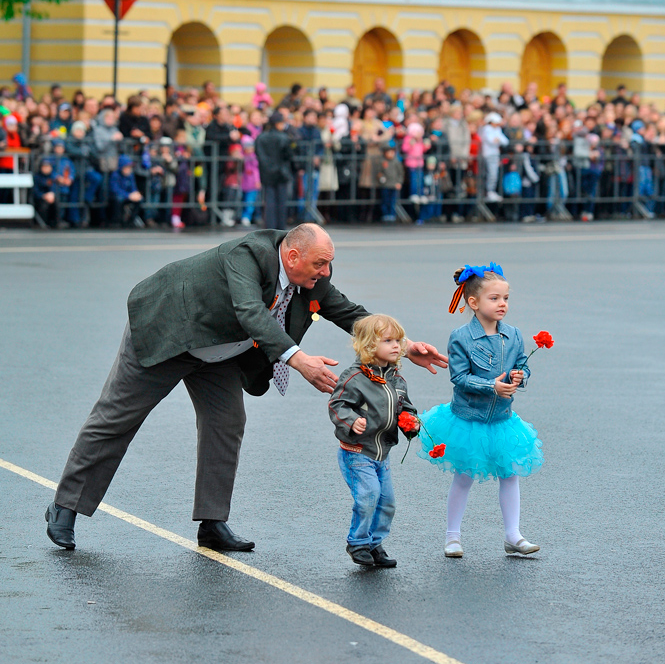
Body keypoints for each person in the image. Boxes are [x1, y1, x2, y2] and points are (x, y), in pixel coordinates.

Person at [45, 224, 447, 552]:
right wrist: (298, 359)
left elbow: (351, 313)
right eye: (320, 263)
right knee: (117, 418)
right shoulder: (248, 254)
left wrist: (407, 347)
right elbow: (250, 311)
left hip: (219, 351)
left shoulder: (314, 277)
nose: (325, 272)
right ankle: (65, 507)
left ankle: (212, 522)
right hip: (169, 330)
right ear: (292, 257)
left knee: (227, 422)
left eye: (329, 264)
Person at [418, 263, 543, 558]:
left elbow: (522, 364)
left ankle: (513, 535)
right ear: (473, 303)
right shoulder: (461, 337)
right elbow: (459, 378)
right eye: (495, 298)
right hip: (468, 419)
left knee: (510, 474)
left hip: (502, 420)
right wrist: (492, 386)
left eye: (506, 298)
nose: (502, 304)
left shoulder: (513, 335)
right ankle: (452, 537)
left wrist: (519, 377)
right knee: (464, 476)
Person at [328, 314, 419, 568]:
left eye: (398, 340)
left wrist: (411, 423)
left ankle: (375, 543)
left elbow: (406, 408)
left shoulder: (397, 379)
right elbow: (338, 404)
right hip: (357, 450)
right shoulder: (355, 377)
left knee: (387, 501)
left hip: (383, 453)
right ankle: (357, 543)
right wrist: (351, 421)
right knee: (369, 495)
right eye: (388, 340)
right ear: (368, 345)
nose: (396, 346)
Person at [255, 111, 294, 229]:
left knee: (269, 201)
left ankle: (270, 226)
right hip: (281, 173)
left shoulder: (261, 137)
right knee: (281, 202)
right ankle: (281, 227)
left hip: (267, 173)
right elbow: (289, 155)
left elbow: (259, 155)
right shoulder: (284, 137)